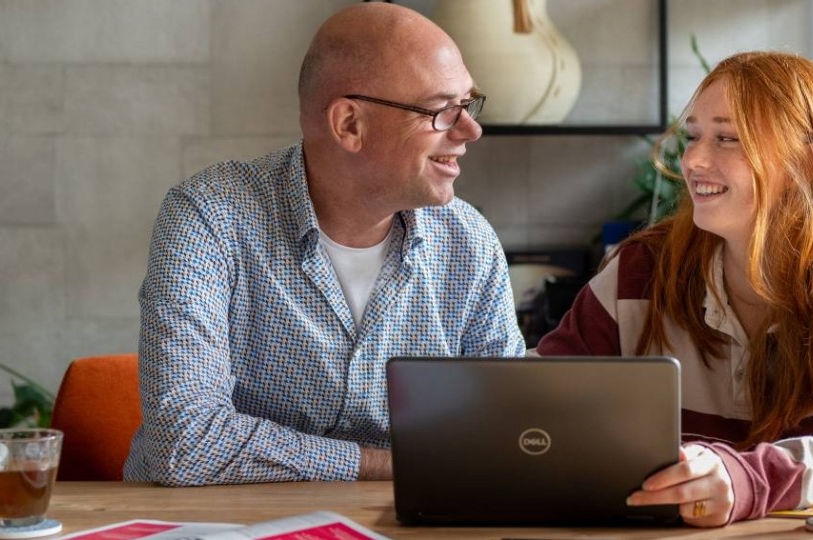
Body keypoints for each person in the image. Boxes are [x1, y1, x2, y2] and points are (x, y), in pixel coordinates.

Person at [124, 3, 523, 486]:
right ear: (349, 125)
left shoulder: (469, 243)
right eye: (442, 110)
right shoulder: (211, 217)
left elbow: (505, 430)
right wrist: (389, 466)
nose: (470, 130)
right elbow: (186, 443)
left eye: (469, 103)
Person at [534, 51, 813, 527]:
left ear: (806, 159)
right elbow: (533, 402)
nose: (693, 160)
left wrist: (747, 480)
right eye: (694, 136)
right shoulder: (639, 271)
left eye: (727, 138)